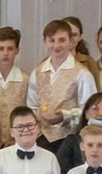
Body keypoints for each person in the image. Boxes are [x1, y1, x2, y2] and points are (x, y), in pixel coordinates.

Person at [28, 19, 97, 149]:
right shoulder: (37, 72)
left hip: (71, 139)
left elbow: (91, 110)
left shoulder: (82, 74)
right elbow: (32, 106)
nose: (56, 45)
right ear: (45, 41)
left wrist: (65, 115)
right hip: (41, 138)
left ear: (70, 42)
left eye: (61, 40)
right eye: (51, 40)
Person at [54, 92, 102, 174]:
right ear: (86, 113)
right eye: (95, 109)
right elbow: (60, 173)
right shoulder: (72, 142)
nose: (101, 114)